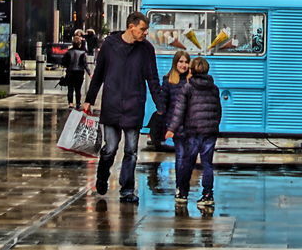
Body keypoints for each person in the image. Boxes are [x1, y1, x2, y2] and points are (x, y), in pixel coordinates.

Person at [83, 12, 166, 203]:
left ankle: (127, 190)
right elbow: (98, 75)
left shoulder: (146, 49)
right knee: (110, 148)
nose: (145, 33)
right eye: (143, 29)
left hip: (134, 106)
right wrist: (89, 99)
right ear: (131, 27)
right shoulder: (110, 45)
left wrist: (160, 106)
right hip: (112, 105)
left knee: (131, 151)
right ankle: (102, 176)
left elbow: (152, 79)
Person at [165, 56, 222, 210]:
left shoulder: (188, 87)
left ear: (192, 70)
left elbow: (179, 111)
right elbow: (218, 110)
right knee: (207, 164)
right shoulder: (214, 88)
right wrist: (215, 125)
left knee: (187, 163)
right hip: (210, 132)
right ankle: (208, 194)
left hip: (193, 131)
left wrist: (171, 129)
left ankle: (182, 193)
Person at [150, 51, 191, 150]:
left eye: (186, 62)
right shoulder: (168, 80)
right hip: (172, 123)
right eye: (181, 61)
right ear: (175, 63)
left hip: (189, 124)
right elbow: (163, 102)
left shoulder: (192, 80)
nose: (183, 65)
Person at [62, 36, 89, 108]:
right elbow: (85, 64)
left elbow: (63, 63)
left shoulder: (68, 52)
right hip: (79, 72)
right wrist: (90, 73)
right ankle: (78, 103)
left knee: (70, 88)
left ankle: (70, 103)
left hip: (70, 72)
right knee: (78, 89)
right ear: (80, 44)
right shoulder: (82, 53)